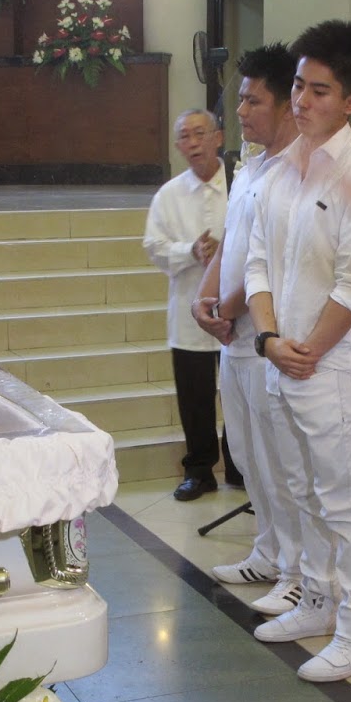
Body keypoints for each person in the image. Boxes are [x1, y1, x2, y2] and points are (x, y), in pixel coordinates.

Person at [245, 20, 351, 683]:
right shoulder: (277, 171)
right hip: (280, 354)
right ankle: (317, 598)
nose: (303, 102)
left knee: (344, 500)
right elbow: (257, 262)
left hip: (327, 366)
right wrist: (271, 339)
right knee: (299, 489)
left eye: (321, 91)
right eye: (300, 88)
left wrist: (307, 350)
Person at [190, 43, 305, 610]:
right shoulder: (251, 164)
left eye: (252, 100)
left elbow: (271, 262)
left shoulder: (295, 170)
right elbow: (232, 240)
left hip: (264, 334)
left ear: (286, 105)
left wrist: (230, 307)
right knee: (246, 450)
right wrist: (204, 295)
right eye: (238, 98)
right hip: (231, 337)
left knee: (281, 460)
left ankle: (298, 570)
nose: (240, 111)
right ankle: (267, 551)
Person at [143, 108, 232, 501]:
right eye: (185, 136)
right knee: (194, 397)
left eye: (200, 133)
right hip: (188, 310)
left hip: (238, 311)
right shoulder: (169, 194)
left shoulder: (243, 183)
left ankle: (241, 467)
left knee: (240, 395)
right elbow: (154, 247)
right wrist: (190, 251)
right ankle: (199, 470)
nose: (193, 143)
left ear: (219, 137)